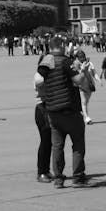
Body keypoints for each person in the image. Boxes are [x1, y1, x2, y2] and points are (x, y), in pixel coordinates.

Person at [37, 36, 90, 188]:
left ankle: (59, 179)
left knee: (57, 146)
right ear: (61, 46)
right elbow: (79, 80)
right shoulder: (66, 61)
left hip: (53, 110)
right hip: (70, 109)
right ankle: (78, 177)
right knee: (78, 144)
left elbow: (39, 80)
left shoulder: (45, 62)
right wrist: (84, 71)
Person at [33, 57, 53, 183]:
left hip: (50, 107)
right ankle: (41, 172)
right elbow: (40, 83)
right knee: (45, 141)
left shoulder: (47, 73)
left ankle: (46, 170)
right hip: (42, 108)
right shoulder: (38, 75)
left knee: (50, 141)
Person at [73, 49, 100, 124]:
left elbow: (94, 73)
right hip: (81, 85)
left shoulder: (90, 63)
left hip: (90, 85)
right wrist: (82, 69)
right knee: (84, 102)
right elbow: (77, 75)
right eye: (80, 57)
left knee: (86, 102)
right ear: (77, 58)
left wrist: (99, 80)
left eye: (83, 56)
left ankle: (84, 114)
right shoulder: (76, 64)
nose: (82, 58)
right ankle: (87, 118)